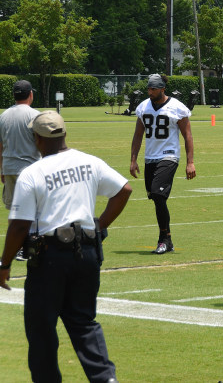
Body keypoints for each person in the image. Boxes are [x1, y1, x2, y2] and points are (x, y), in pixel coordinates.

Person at [0, 111, 132, 383]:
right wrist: (99, 226)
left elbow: (19, 226)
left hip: (50, 257)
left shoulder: (32, 173)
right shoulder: (89, 161)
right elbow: (124, 190)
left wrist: (4, 264)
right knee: (84, 322)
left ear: (36, 139)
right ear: (64, 134)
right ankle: (106, 379)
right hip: (87, 253)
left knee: (41, 328)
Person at [129, 73, 196, 254]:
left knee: (159, 195)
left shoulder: (176, 107)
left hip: (169, 156)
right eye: (149, 89)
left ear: (162, 89)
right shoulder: (143, 107)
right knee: (156, 198)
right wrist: (133, 160)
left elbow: (187, 135)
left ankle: (163, 239)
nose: (150, 92)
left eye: (154, 89)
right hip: (150, 157)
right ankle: (168, 240)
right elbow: (138, 135)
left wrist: (190, 162)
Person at [0, 81, 42, 258]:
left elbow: (0, 145)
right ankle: (30, 246)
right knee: (35, 209)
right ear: (30, 94)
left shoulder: (3, 116)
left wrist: (1, 169)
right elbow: (42, 142)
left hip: (9, 167)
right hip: (30, 169)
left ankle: (16, 247)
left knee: (15, 211)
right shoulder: (35, 115)